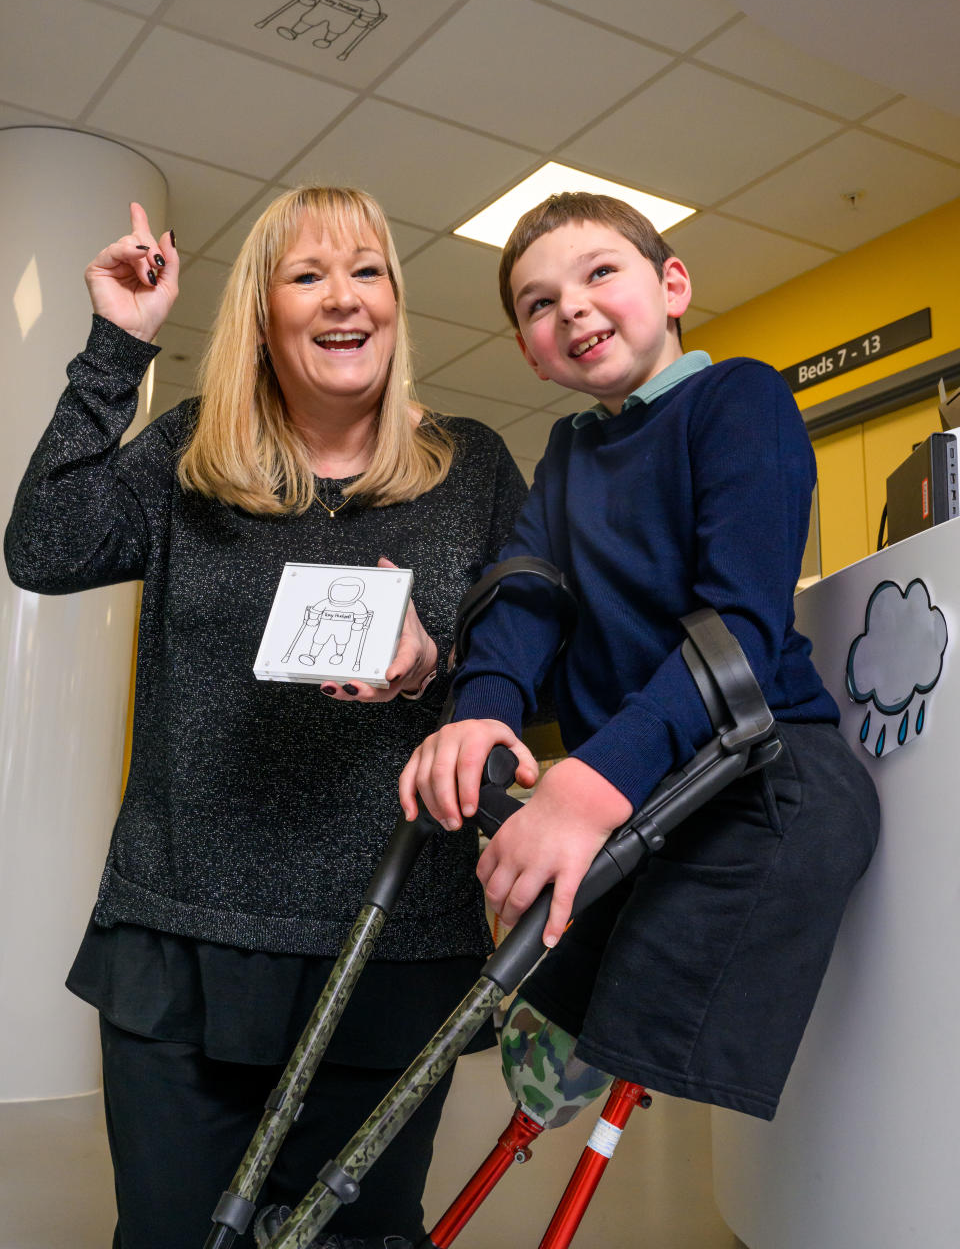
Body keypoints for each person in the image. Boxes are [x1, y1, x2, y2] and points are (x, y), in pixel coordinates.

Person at [4, 186, 528, 1248]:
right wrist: (118, 347)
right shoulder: (192, 456)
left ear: (396, 302)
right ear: (263, 312)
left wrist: (438, 664)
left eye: (368, 271)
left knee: (354, 1238)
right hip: (183, 939)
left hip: (387, 943)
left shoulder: (472, 468)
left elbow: (526, 679)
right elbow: (45, 548)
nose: (346, 299)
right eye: (309, 274)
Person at [400, 191, 880, 1127]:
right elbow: (525, 597)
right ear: (530, 352)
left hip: (758, 773)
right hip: (640, 786)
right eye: (538, 304)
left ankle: (605, 1034)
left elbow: (738, 622)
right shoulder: (567, 457)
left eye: (599, 274)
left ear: (672, 285)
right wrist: (479, 708)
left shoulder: (738, 397)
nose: (571, 308)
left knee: (639, 1019)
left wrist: (590, 784)